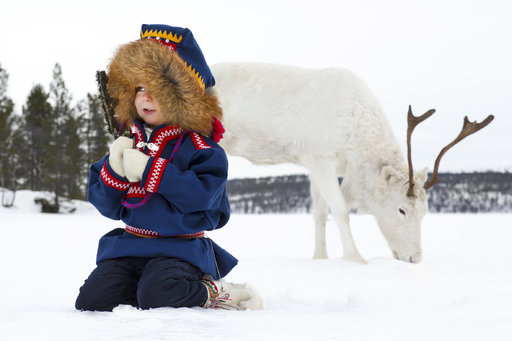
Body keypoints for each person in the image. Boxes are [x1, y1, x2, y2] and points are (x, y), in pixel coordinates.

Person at [75, 24, 262, 311]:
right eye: (139, 88)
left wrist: (151, 170)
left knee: (159, 294)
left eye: (158, 89)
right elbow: (106, 206)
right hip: (129, 246)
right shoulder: (128, 142)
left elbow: (204, 197)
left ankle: (211, 291)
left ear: (183, 97)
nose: (146, 97)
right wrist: (113, 168)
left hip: (180, 251)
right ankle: (148, 285)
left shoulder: (202, 148)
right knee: (93, 300)